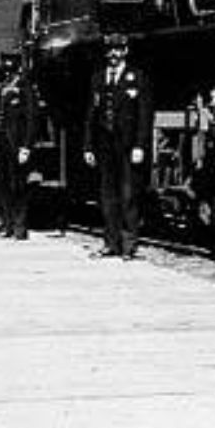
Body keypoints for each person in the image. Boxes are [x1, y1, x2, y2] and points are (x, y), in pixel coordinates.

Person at [83, 33, 154, 259]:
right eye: (110, 50)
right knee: (108, 195)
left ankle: (128, 244)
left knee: (128, 194)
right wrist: (88, 147)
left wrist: (140, 145)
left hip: (128, 144)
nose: (113, 54)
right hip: (105, 145)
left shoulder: (138, 78)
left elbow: (144, 115)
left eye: (118, 50)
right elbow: (90, 116)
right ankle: (110, 242)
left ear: (125, 51)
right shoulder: (97, 78)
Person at [0, 48, 37, 240]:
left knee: (18, 186)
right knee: (2, 185)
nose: (8, 73)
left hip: (16, 144)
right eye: (5, 69)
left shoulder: (25, 88)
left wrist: (26, 146)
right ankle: (7, 223)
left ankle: (19, 227)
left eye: (11, 69)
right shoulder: (0, 90)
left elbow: (32, 119)